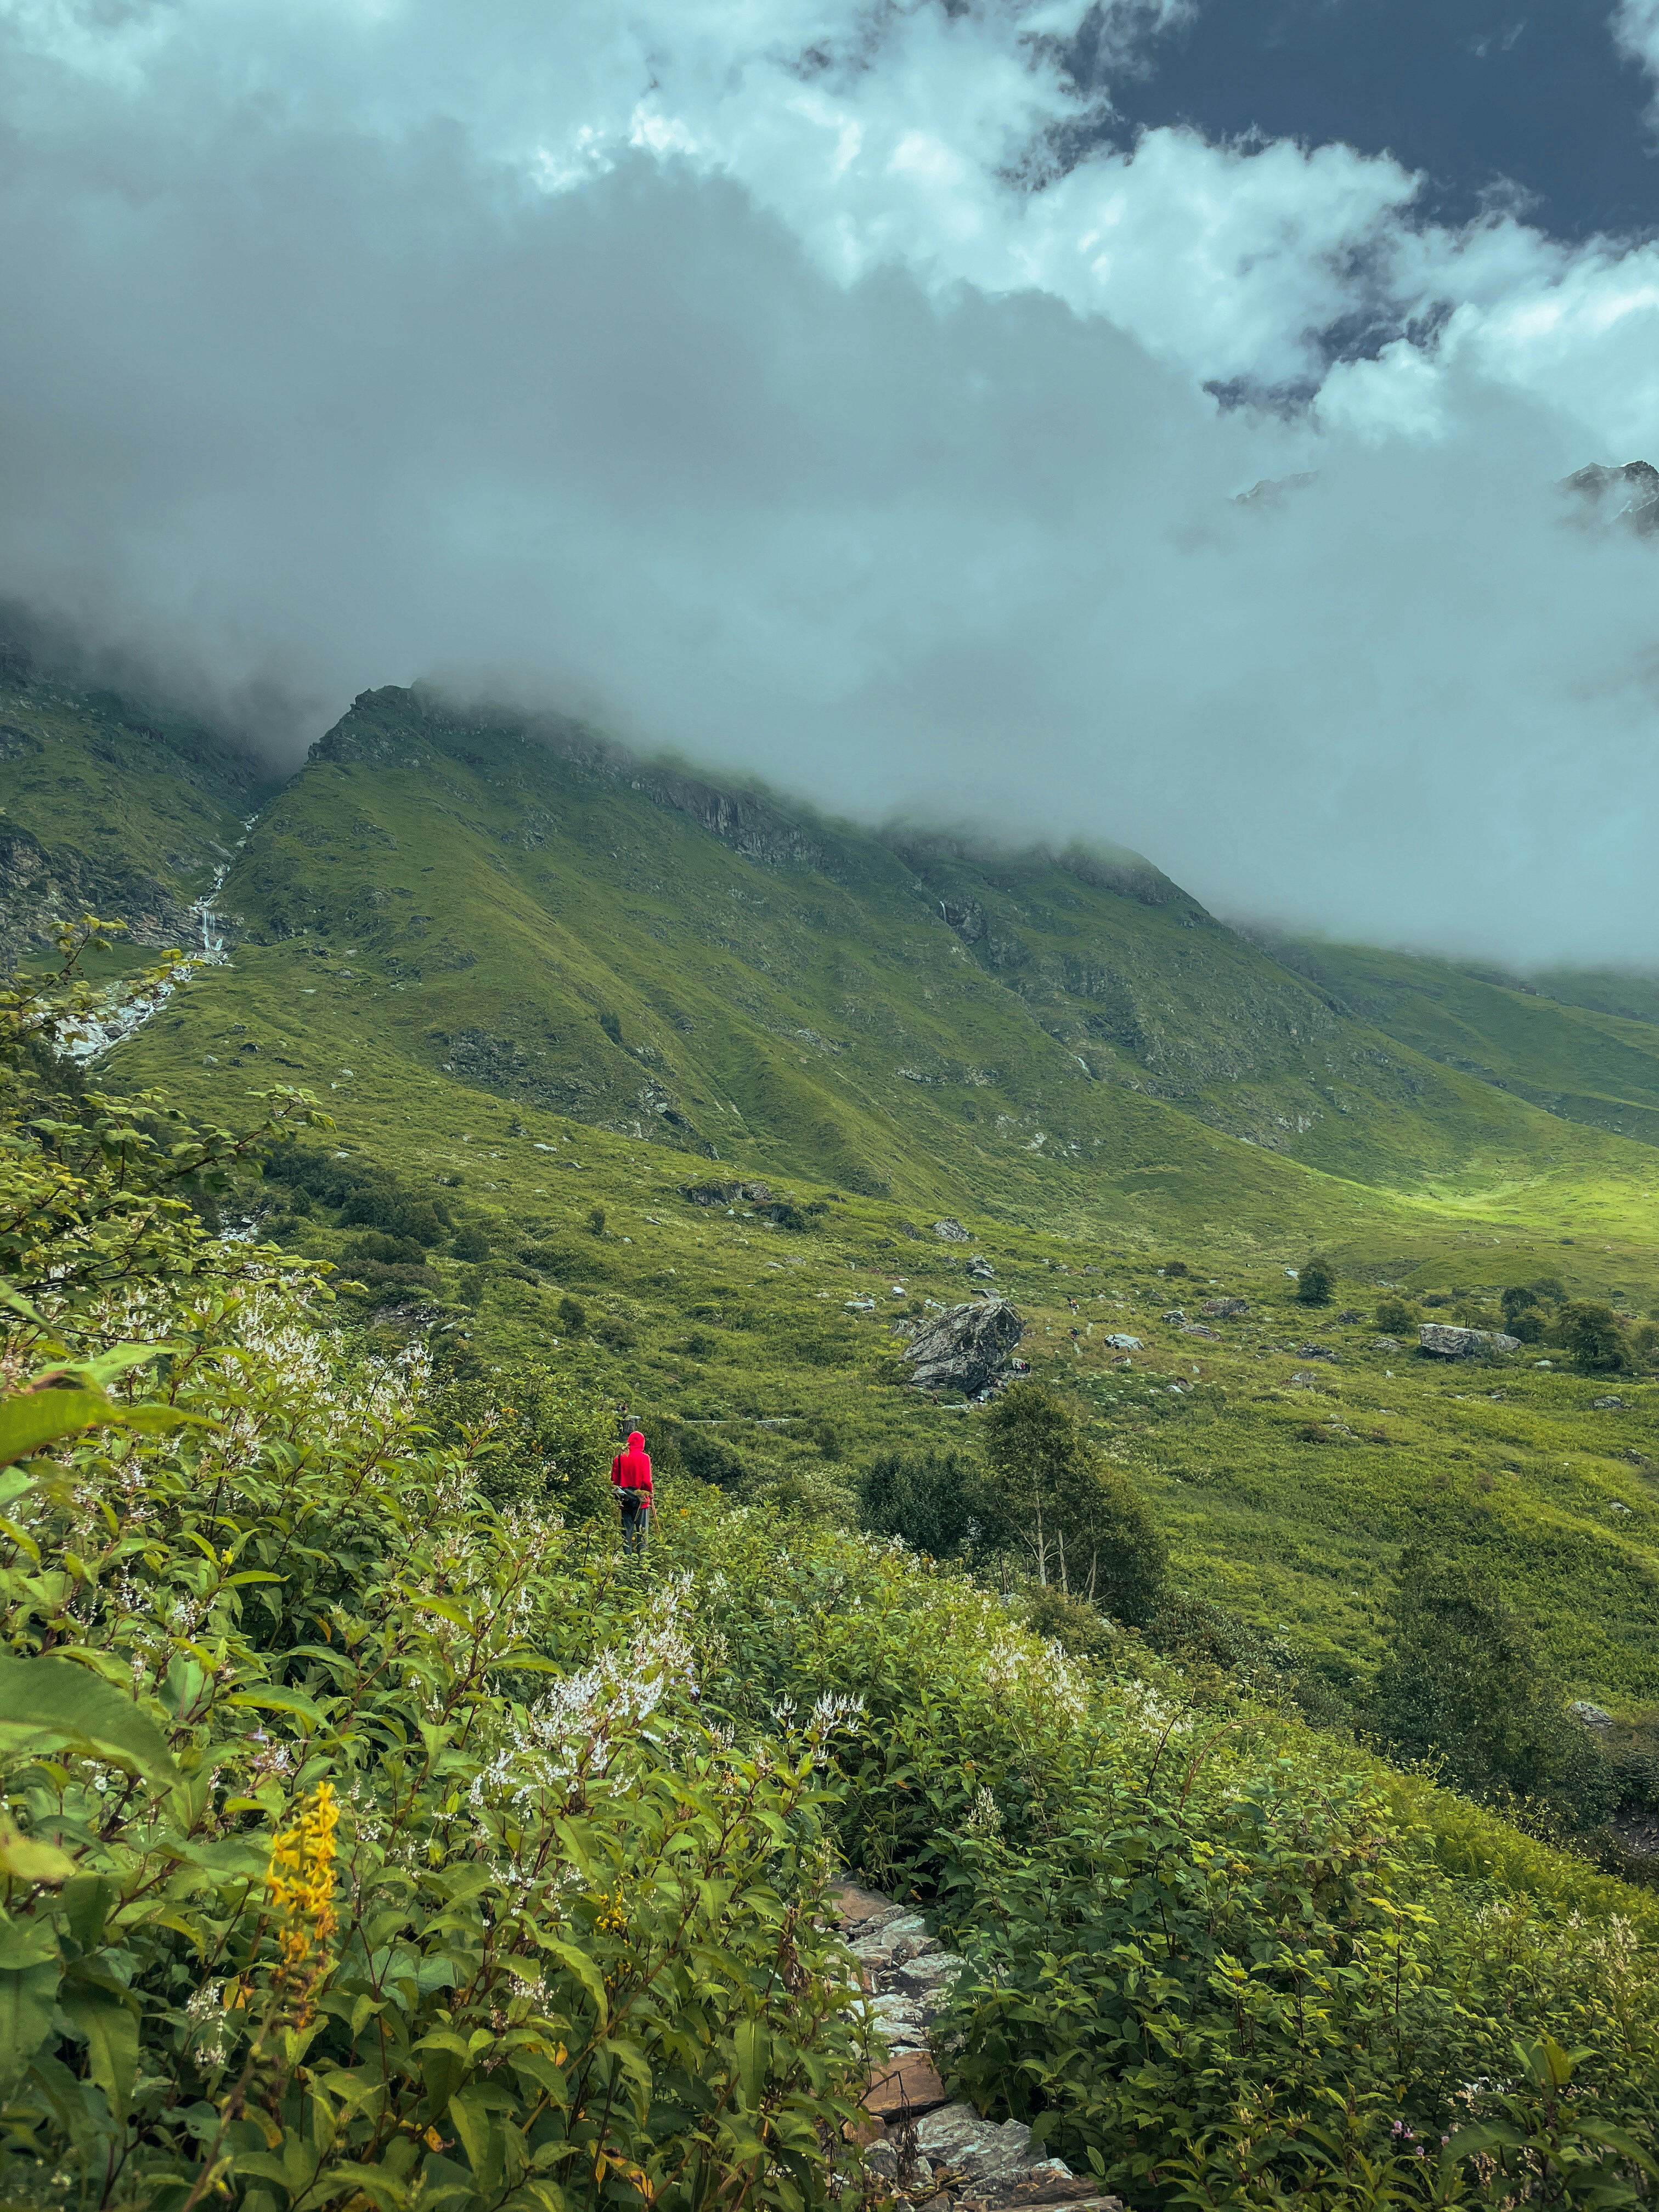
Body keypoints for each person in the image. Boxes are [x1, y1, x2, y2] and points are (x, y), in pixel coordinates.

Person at [611, 1428, 652, 1555]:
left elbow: (614, 1481)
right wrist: (650, 1494)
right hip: (641, 1500)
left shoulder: (619, 1457)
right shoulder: (645, 1458)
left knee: (626, 1533)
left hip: (625, 1500)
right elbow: (646, 1481)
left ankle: (626, 1560)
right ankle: (643, 1562)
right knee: (643, 1534)